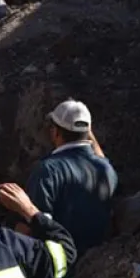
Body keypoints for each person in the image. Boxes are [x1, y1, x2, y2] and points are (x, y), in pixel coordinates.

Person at [24, 100, 118, 260]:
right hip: (96, 259)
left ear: (55, 132)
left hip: (60, 262)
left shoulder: (47, 170)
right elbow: (100, 158)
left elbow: (34, 225)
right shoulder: (107, 169)